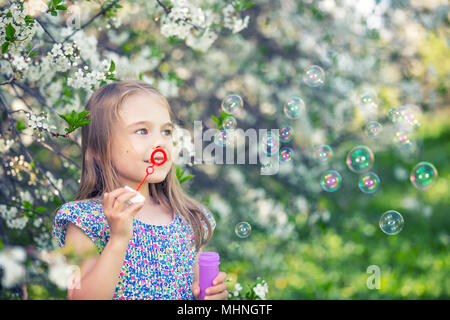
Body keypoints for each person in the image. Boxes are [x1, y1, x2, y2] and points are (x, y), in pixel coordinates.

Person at [52, 80, 228, 300]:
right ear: (98, 148)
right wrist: (118, 238)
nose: (160, 142)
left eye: (166, 132)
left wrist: (213, 296)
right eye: (142, 130)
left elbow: (197, 292)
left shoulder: (188, 217)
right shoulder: (84, 220)